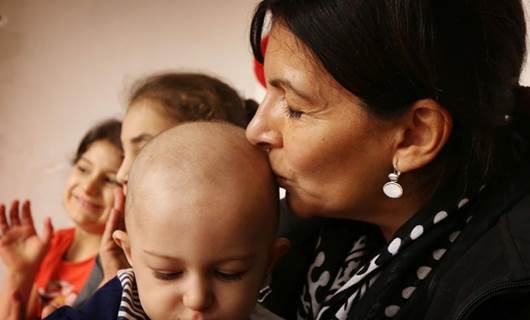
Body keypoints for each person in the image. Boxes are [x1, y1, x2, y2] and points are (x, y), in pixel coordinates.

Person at [245, 0, 530, 319]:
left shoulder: (505, 299)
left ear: (414, 136)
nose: (255, 131)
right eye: (267, 93)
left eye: (295, 108)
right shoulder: (297, 229)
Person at [46, 122, 288, 320]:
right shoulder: (118, 304)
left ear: (269, 262)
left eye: (228, 273)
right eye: (167, 273)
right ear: (130, 252)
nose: (197, 299)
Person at [94, 72, 256, 288]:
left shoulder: (251, 249)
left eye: (144, 149)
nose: (122, 174)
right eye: (124, 154)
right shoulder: (119, 249)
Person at [0, 119, 123, 319]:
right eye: (83, 169)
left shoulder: (116, 264)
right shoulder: (51, 243)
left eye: (109, 180)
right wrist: (20, 271)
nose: (88, 187)